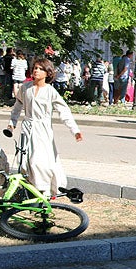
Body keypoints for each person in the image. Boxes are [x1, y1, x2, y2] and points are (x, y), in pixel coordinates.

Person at [8, 57, 83, 196]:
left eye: (40, 69)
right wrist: (12, 123)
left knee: (40, 161)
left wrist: (75, 130)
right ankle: (28, 191)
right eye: (35, 68)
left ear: (47, 73)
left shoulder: (50, 92)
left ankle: (44, 190)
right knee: (25, 161)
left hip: (42, 130)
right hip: (27, 128)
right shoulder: (25, 88)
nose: (36, 71)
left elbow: (64, 111)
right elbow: (18, 106)